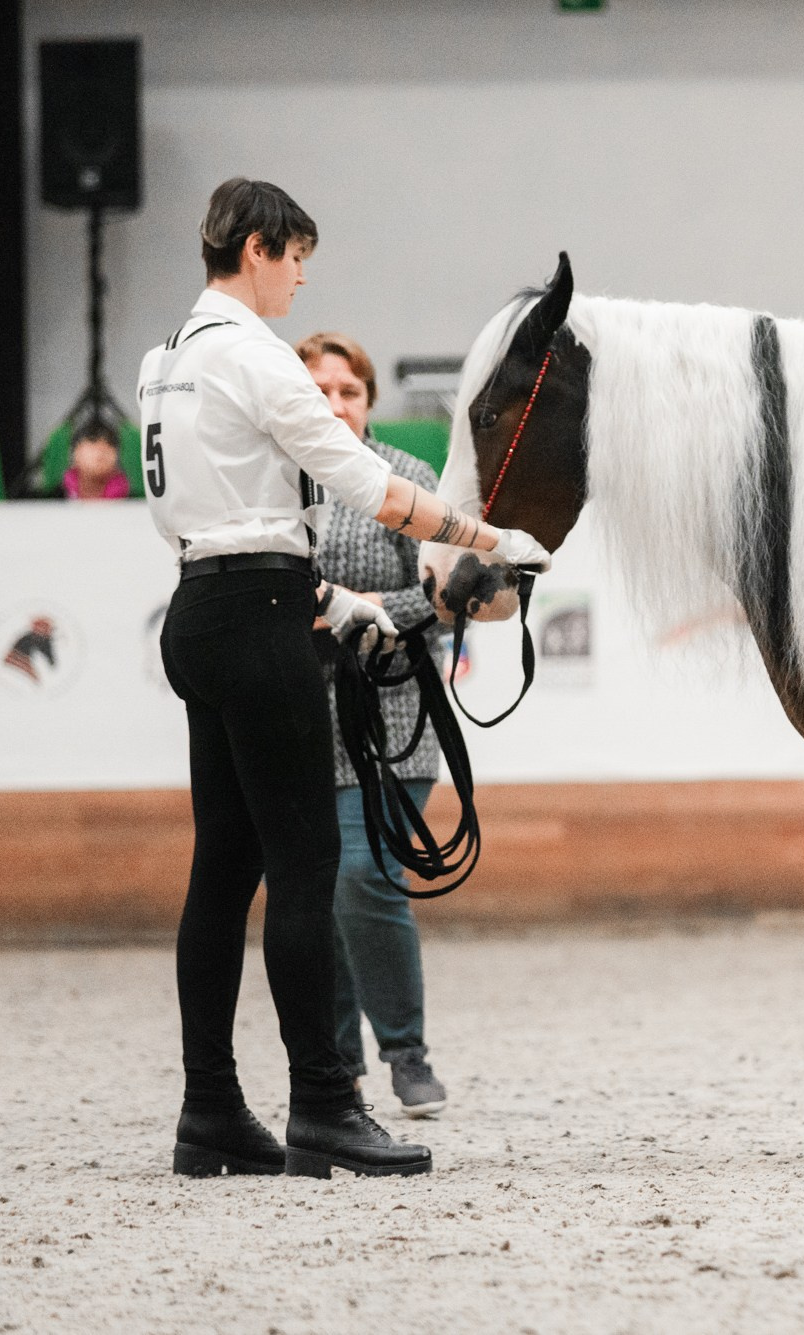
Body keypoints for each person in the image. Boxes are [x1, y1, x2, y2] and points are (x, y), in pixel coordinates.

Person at [141, 176, 550, 1179]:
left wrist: (327, 598)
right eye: (293, 257)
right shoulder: (255, 356)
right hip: (262, 611)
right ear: (254, 250)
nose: (300, 276)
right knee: (305, 864)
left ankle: (209, 1112)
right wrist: (487, 534)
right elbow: (366, 483)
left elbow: (224, 504)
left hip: (202, 603)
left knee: (223, 871)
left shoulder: (164, 361)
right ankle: (324, 1104)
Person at [298, 331, 449, 1120]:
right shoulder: (272, 477)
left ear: (368, 400)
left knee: (365, 873)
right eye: (317, 389)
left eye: (347, 390)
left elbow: (444, 598)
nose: (333, 404)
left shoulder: (408, 479)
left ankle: (405, 1050)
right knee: (315, 891)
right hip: (295, 718)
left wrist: (354, 613)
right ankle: (336, 1066)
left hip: (395, 713)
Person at [62, 417, 130, 499]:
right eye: (93, 443)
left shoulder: (130, 499)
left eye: (110, 445)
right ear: (76, 452)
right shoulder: (57, 496)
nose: (100, 453)